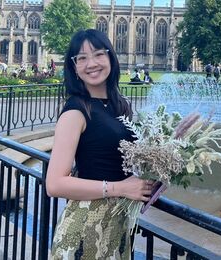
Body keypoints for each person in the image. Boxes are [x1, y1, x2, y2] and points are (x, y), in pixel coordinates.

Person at [46, 29, 154, 259]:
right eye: (81, 58)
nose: (91, 63)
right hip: (85, 227)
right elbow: (54, 184)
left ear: (110, 58)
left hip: (118, 226)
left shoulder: (119, 106)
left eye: (97, 54)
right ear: (74, 67)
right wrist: (121, 188)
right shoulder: (75, 112)